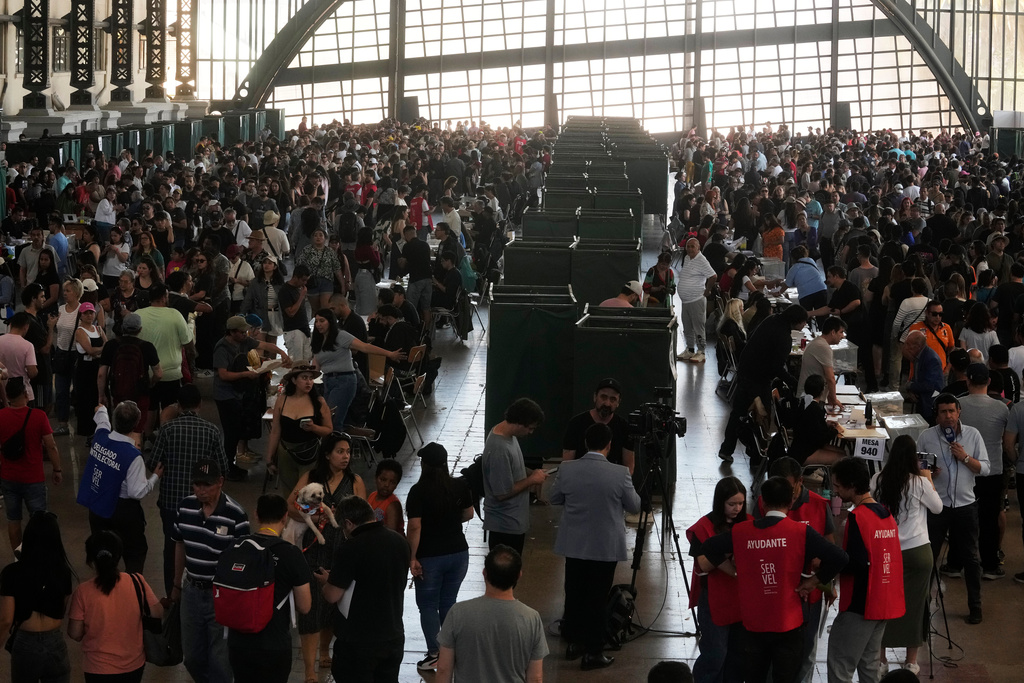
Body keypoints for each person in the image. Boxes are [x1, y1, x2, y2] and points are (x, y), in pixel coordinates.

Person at [701, 477, 849, 683]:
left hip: (753, 623)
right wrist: (813, 582)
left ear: (762, 503)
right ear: (790, 503)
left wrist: (736, 573)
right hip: (788, 622)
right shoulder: (800, 532)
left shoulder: (741, 531)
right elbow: (840, 557)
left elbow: (707, 548)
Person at [551, 423, 640, 670]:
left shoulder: (567, 469)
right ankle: (593, 651)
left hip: (575, 544)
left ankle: (573, 643)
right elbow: (634, 506)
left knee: (575, 593)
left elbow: (555, 498)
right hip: (605, 547)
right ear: (610, 446)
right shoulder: (620, 473)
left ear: (585, 443)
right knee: (597, 598)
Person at [285, 432, 365, 682]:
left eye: (348, 452)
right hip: (312, 549)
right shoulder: (311, 477)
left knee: (332, 607)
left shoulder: (355, 481)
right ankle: (309, 669)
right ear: (328, 454)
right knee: (310, 609)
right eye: (340, 451)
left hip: (341, 552)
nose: (345, 456)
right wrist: (314, 517)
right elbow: (291, 505)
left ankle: (324, 649)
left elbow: (362, 516)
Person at [754, 457, 836, 682]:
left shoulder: (819, 505)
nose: (782, 493)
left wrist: (826, 583)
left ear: (800, 482)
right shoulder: (764, 502)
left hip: (809, 594)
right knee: (772, 653)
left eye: (788, 487)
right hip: (773, 591)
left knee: (806, 650)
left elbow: (831, 550)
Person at [170, 458, 250, 683]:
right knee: (192, 657)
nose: (201, 490)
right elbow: (179, 544)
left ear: (220, 482)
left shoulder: (236, 516)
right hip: (191, 592)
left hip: (221, 596)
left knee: (220, 661)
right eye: (196, 484)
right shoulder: (185, 507)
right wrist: (177, 584)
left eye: (206, 484)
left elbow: (243, 562)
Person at [146, 384, 230, 596]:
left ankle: (172, 594)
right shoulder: (211, 431)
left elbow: (153, 463)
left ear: (178, 405)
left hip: (170, 502)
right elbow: (224, 467)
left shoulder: (166, 430)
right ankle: (200, 593)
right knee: (202, 546)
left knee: (172, 549)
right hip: (203, 503)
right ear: (200, 404)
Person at [827, 457, 905, 683]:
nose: (836, 492)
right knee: (869, 665)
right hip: (884, 603)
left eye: (838, 486)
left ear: (852, 485)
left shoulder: (857, 517)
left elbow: (856, 563)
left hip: (860, 605)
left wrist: (828, 562)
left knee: (840, 665)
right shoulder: (885, 515)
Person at [871, 435, 943, 675]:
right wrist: (928, 478)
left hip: (886, 551)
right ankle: (911, 662)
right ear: (914, 457)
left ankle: (881, 661)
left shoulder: (877, 480)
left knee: (884, 604)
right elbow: (937, 508)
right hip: (918, 552)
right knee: (916, 606)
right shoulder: (919, 482)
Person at [318, 496, 411, 682]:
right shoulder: (399, 541)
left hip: (358, 642)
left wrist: (326, 582)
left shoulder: (351, 547)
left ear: (348, 523)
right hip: (392, 636)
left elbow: (332, 595)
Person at [917, 393, 988, 624]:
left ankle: (975, 607)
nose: (948, 416)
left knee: (971, 558)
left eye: (951, 411)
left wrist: (965, 457)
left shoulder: (973, 435)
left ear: (959, 412)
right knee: (930, 556)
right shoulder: (926, 436)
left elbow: (985, 468)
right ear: (936, 415)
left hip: (966, 506)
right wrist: (929, 472)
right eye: (943, 412)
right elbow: (917, 466)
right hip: (937, 506)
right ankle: (923, 609)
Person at [226, 495, 312, 683]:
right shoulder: (291, 554)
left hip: (238, 642)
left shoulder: (236, 548)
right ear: (285, 517)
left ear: (256, 515)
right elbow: (305, 606)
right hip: (273, 644)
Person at [435, 545, 548, 683]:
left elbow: (443, 669)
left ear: (484, 573)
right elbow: (535, 678)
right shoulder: (532, 618)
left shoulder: (458, 612)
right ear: (519, 575)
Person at [407, 443, 474, 671]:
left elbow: (415, 527)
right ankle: (449, 652)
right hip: (459, 553)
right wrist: (450, 522)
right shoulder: (458, 485)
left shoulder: (418, 491)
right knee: (448, 602)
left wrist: (412, 557)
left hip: (430, 557)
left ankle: (434, 653)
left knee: (427, 605)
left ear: (424, 464)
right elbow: (469, 513)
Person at [76, 400, 162, 573]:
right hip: (123, 513)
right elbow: (136, 492)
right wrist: (155, 477)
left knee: (103, 550)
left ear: (114, 419)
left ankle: (105, 584)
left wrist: (101, 408)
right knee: (135, 552)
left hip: (98, 509)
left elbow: (101, 418)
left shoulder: (100, 436)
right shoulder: (132, 456)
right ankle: (132, 587)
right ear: (137, 424)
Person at [67, 530, 164, 683]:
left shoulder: (83, 592)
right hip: (133, 665)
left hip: (97, 668)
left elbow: (74, 633)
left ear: (90, 559)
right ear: (118, 556)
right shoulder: (136, 581)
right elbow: (157, 612)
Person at [719, 304, 808, 462]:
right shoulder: (784, 338)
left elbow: (753, 335)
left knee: (737, 412)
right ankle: (756, 457)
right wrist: (793, 381)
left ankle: (726, 449)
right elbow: (776, 367)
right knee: (762, 418)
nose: (805, 325)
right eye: (804, 322)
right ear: (797, 321)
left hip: (745, 370)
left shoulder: (771, 319)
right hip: (759, 380)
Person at [213, 315, 291, 480]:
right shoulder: (222, 348)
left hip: (238, 393)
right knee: (231, 432)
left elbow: (265, 344)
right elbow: (223, 375)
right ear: (231, 332)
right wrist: (245, 374)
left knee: (236, 430)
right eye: (241, 332)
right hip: (225, 395)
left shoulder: (244, 341)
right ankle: (227, 467)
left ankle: (229, 464)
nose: (245, 334)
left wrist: (282, 353)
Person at [0, 510, 74, 683]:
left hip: (26, 643)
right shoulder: (63, 572)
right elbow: (62, 608)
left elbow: (6, 620)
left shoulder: (11, 573)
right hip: (55, 642)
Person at [950, 363, 1008, 581]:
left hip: (964, 469)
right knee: (989, 519)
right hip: (992, 469)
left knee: (960, 516)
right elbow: (1007, 438)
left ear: (967, 380)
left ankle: (955, 563)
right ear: (989, 382)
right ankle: (990, 566)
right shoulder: (1002, 408)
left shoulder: (958, 406)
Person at [685, 477, 746, 683]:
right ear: (720, 502)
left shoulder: (749, 523)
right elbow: (702, 563)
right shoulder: (703, 527)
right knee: (715, 654)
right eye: (731, 504)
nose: (737, 508)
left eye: (740, 503)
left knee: (737, 655)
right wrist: (731, 552)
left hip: (742, 599)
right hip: (713, 598)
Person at [311, 308, 402, 428]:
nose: (318, 324)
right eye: (316, 321)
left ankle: (338, 444)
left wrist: (389, 354)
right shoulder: (318, 340)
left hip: (344, 380)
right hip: (328, 381)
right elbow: (315, 366)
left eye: (322, 321)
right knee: (326, 418)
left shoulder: (340, 335)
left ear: (330, 321)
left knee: (333, 420)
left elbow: (364, 347)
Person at [0, 377, 61, 552]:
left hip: (8, 477)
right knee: (39, 519)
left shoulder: (1, 416)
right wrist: (57, 469)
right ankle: (39, 555)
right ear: (26, 394)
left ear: (8, 396)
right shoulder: (38, 416)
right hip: (33, 478)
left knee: (13, 519)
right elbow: (51, 446)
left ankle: (17, 556)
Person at [482, 397, 548, 555]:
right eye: (530, 428)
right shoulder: (499, 448)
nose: (530, 432)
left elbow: (511, 467)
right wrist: (531, 480)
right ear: (519, 422)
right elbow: (502, 493)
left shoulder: (508, 436)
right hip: (505, 527)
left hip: (513, 523)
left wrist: (529, 472)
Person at [265, 364, 334, 496]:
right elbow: (275, 431)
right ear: (294, 380)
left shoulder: (319, 402)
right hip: (286, 452)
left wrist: (314, 427)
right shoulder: (282, 399)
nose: (308, 382)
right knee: (289, 493)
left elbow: (329, 430)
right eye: (304, 378)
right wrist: (269, 458)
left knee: (307, 494)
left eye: (311, 378)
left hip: (309, 453)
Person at [137, 283, 195, 419]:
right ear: (164, 297)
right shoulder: (174, 315)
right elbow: (188, 344)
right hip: (171, 374)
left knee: (149, 408)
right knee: (169, 409)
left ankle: (147, 436)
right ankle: (166, 436)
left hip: (146, 374)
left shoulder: (138, 315)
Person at [96, 313, 161, 429]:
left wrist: (101, 395)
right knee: (138, 428)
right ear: (140, 329)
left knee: (120, 427)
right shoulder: (147, 347)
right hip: (141, 394)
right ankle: (137, 446)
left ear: (122, 328)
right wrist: (151, 382)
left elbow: (101, 374)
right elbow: (159, 374)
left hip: (118, 393)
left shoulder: (111, 345)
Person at [562, 377, 636, 474]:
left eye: (613, 399)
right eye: (603, 397)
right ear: (595, 397)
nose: (607, 403)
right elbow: (567, 464)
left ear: (618, 403)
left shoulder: (624, 427)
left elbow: (629, 467)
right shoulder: (576, 423)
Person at [676, 238, 718, 363]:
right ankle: (690, 349)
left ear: (698, 248)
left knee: (698, 326)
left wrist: (707, 289)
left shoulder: (701, 260)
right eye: (688, 246)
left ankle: (701, 351)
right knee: (687, 327)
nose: (689, 249)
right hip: (686, 301)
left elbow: (713, 276)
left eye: (692, 246)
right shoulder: (687, 258)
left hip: (696, 299)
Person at [796, 316, 846, 408]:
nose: (843, 336)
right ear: (833, 332)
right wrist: (834, 399)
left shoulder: (817, 342)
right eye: (841, 332)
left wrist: (830, 395)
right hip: (810, 400)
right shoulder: (823, 347)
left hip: (811, 396)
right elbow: (830, 378)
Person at [72, 303, 107, 437]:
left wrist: (99, 351)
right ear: (81, 315)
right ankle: (87, 429)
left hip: (97, 367)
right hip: (85, 370)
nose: (89, 315)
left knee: (98, 396)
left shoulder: (98, 329)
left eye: (91, 313)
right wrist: (100, 350)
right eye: (86, 313)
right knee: (86, 398)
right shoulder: (80, 331)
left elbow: (106, 345)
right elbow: (90, 350)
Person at [901, 331, 945, 424]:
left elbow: (929, 385)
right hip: (921, 399)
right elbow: (917, 376)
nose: (906, 347)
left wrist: (910, 385)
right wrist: (912, 390)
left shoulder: (932, 359)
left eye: (909, 344)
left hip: (930, 403)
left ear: (918, 346)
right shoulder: (919, 356)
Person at [0, 312, 39, 402]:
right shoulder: (28, 346)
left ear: (10, 325)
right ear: (26, 327)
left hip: (2, 394)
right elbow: (32, 372)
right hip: (21, 394)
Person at [280, 264, 312, 362]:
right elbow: (290, 312)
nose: (305, 283)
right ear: (295, 277)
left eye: (306, 280)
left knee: (307, 360)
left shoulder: (299, 289)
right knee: (296, 362)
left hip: (304, 329)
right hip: (293, 330)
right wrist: (301, 297)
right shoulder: (284, 290)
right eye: (303, 280)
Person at [368, 458, 405, 535]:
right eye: (383, 480)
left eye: (392, 482)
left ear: (396, 485)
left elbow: (391, 535)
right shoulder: (372, 496)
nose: (386, 485)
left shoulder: (392, 505)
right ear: (376, 478)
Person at [785, 245, 828, 311]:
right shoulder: (811, 261)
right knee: (822, 315)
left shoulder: (794, 268)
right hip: (821, 290)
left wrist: (778, 292)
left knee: (805, 317)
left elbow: (787, 285)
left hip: (806, 294)